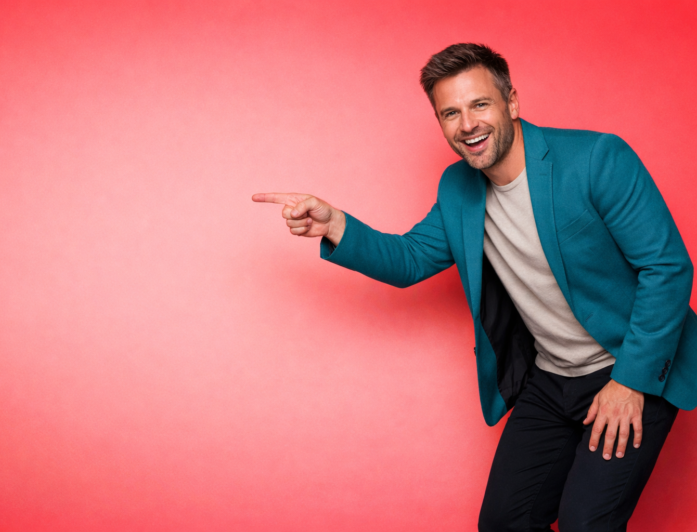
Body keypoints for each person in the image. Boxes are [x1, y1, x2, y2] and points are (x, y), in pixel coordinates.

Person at [252, 43, 696, 531]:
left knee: (586, 524)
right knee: (505, 521)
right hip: (551, 379)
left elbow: (667, 268)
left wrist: (629, 383)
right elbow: (410, 258)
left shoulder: (596, 159)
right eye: (450, 113)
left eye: (479, 104)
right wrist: (336, 223)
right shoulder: (458, 187)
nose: (467, 124)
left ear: (511, 103)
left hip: (629, 367)